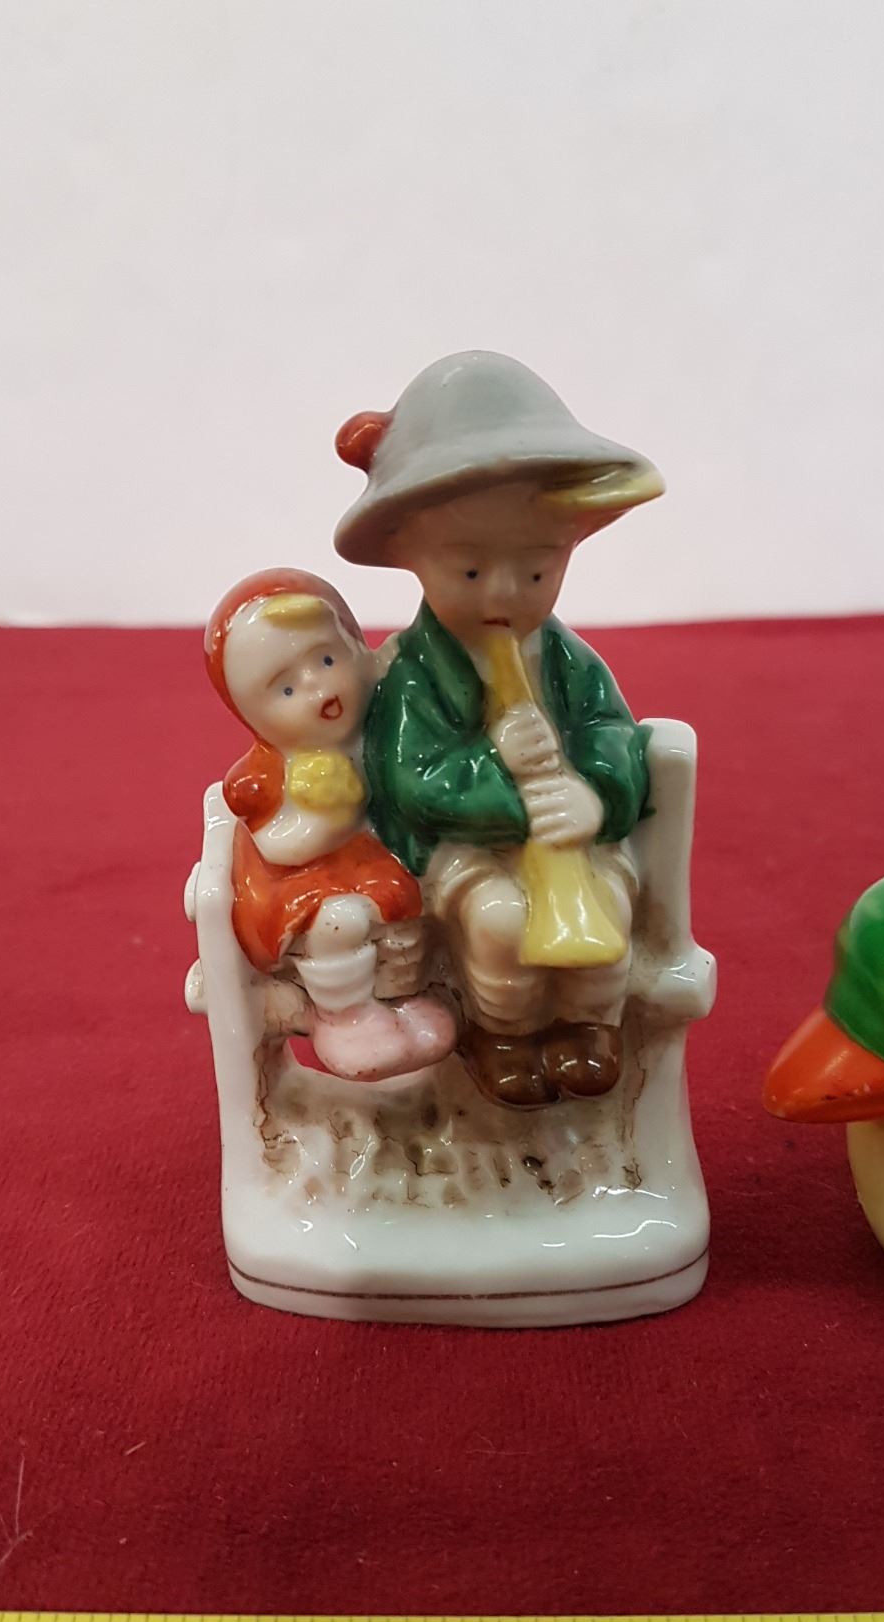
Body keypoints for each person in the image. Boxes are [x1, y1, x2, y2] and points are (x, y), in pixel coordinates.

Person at [334, 352, 662, 1107]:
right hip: (470, 854)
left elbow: (612, 731)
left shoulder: (568, 662)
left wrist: (593, 794)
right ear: (411, 555)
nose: (506, 594)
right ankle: (502, 1034)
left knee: (611, 917)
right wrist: (494, 765)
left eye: (538, 571)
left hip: (576, 843)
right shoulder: (415, 673)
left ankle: (588, 1028)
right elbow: (411, 779)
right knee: (499, 922)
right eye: (471, 571)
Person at [204, 568, 456, 1082]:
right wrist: (328, 823)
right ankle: (345, 1016)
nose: (318, 688)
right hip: (299, 883)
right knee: (339, 922)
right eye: (287, 688)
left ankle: (408, 1004)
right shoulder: (275, 772)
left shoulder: (389, 725)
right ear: (253, 716)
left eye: (326, 659)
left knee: (417, 906)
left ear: (358, 650)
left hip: (371, 864)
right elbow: (277, 846)